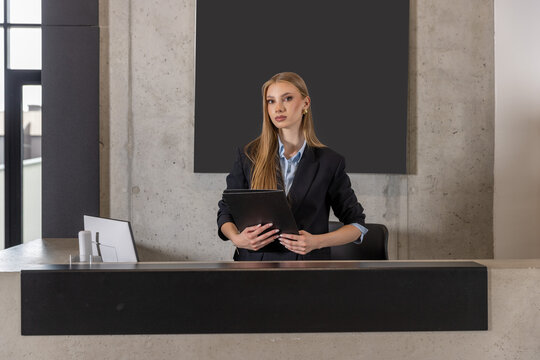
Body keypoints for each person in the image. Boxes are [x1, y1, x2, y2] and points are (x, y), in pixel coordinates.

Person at [217, 72, 367, 261]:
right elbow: (226, 211)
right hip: (254, 269)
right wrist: (238, 239)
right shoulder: (248, 155)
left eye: (287, 98)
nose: (278, 108)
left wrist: (317, 242)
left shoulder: (330, 162)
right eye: (271, 101)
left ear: (306, 103)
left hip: (307, 271)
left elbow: (357, 225)